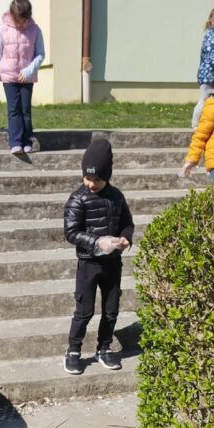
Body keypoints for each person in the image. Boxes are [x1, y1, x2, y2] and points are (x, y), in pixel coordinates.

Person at [63, 139, 134, 375]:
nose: (91, 184)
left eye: (97, 179)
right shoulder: (78, 199)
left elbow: (127, 223)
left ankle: (104, 347)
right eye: (88, 178)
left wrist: (125, 238)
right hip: (89, 263)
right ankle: (73, 350)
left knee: (111, 309)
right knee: (84, 310)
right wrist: (96, 242)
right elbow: (71, 232)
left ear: (107, 177)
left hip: (112, 263)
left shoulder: (116, 196)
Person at [0, 0, 45, 155]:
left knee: (25, 109)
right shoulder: (2, 30)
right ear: (12, 15)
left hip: (27, 78)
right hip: (9, 76)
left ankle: (27, 141)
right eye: (20, 20)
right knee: (14, 110)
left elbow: (40, 54)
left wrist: (29, 71)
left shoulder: (35, 30)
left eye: (25, 20)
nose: (23, 24)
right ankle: (16, 142)